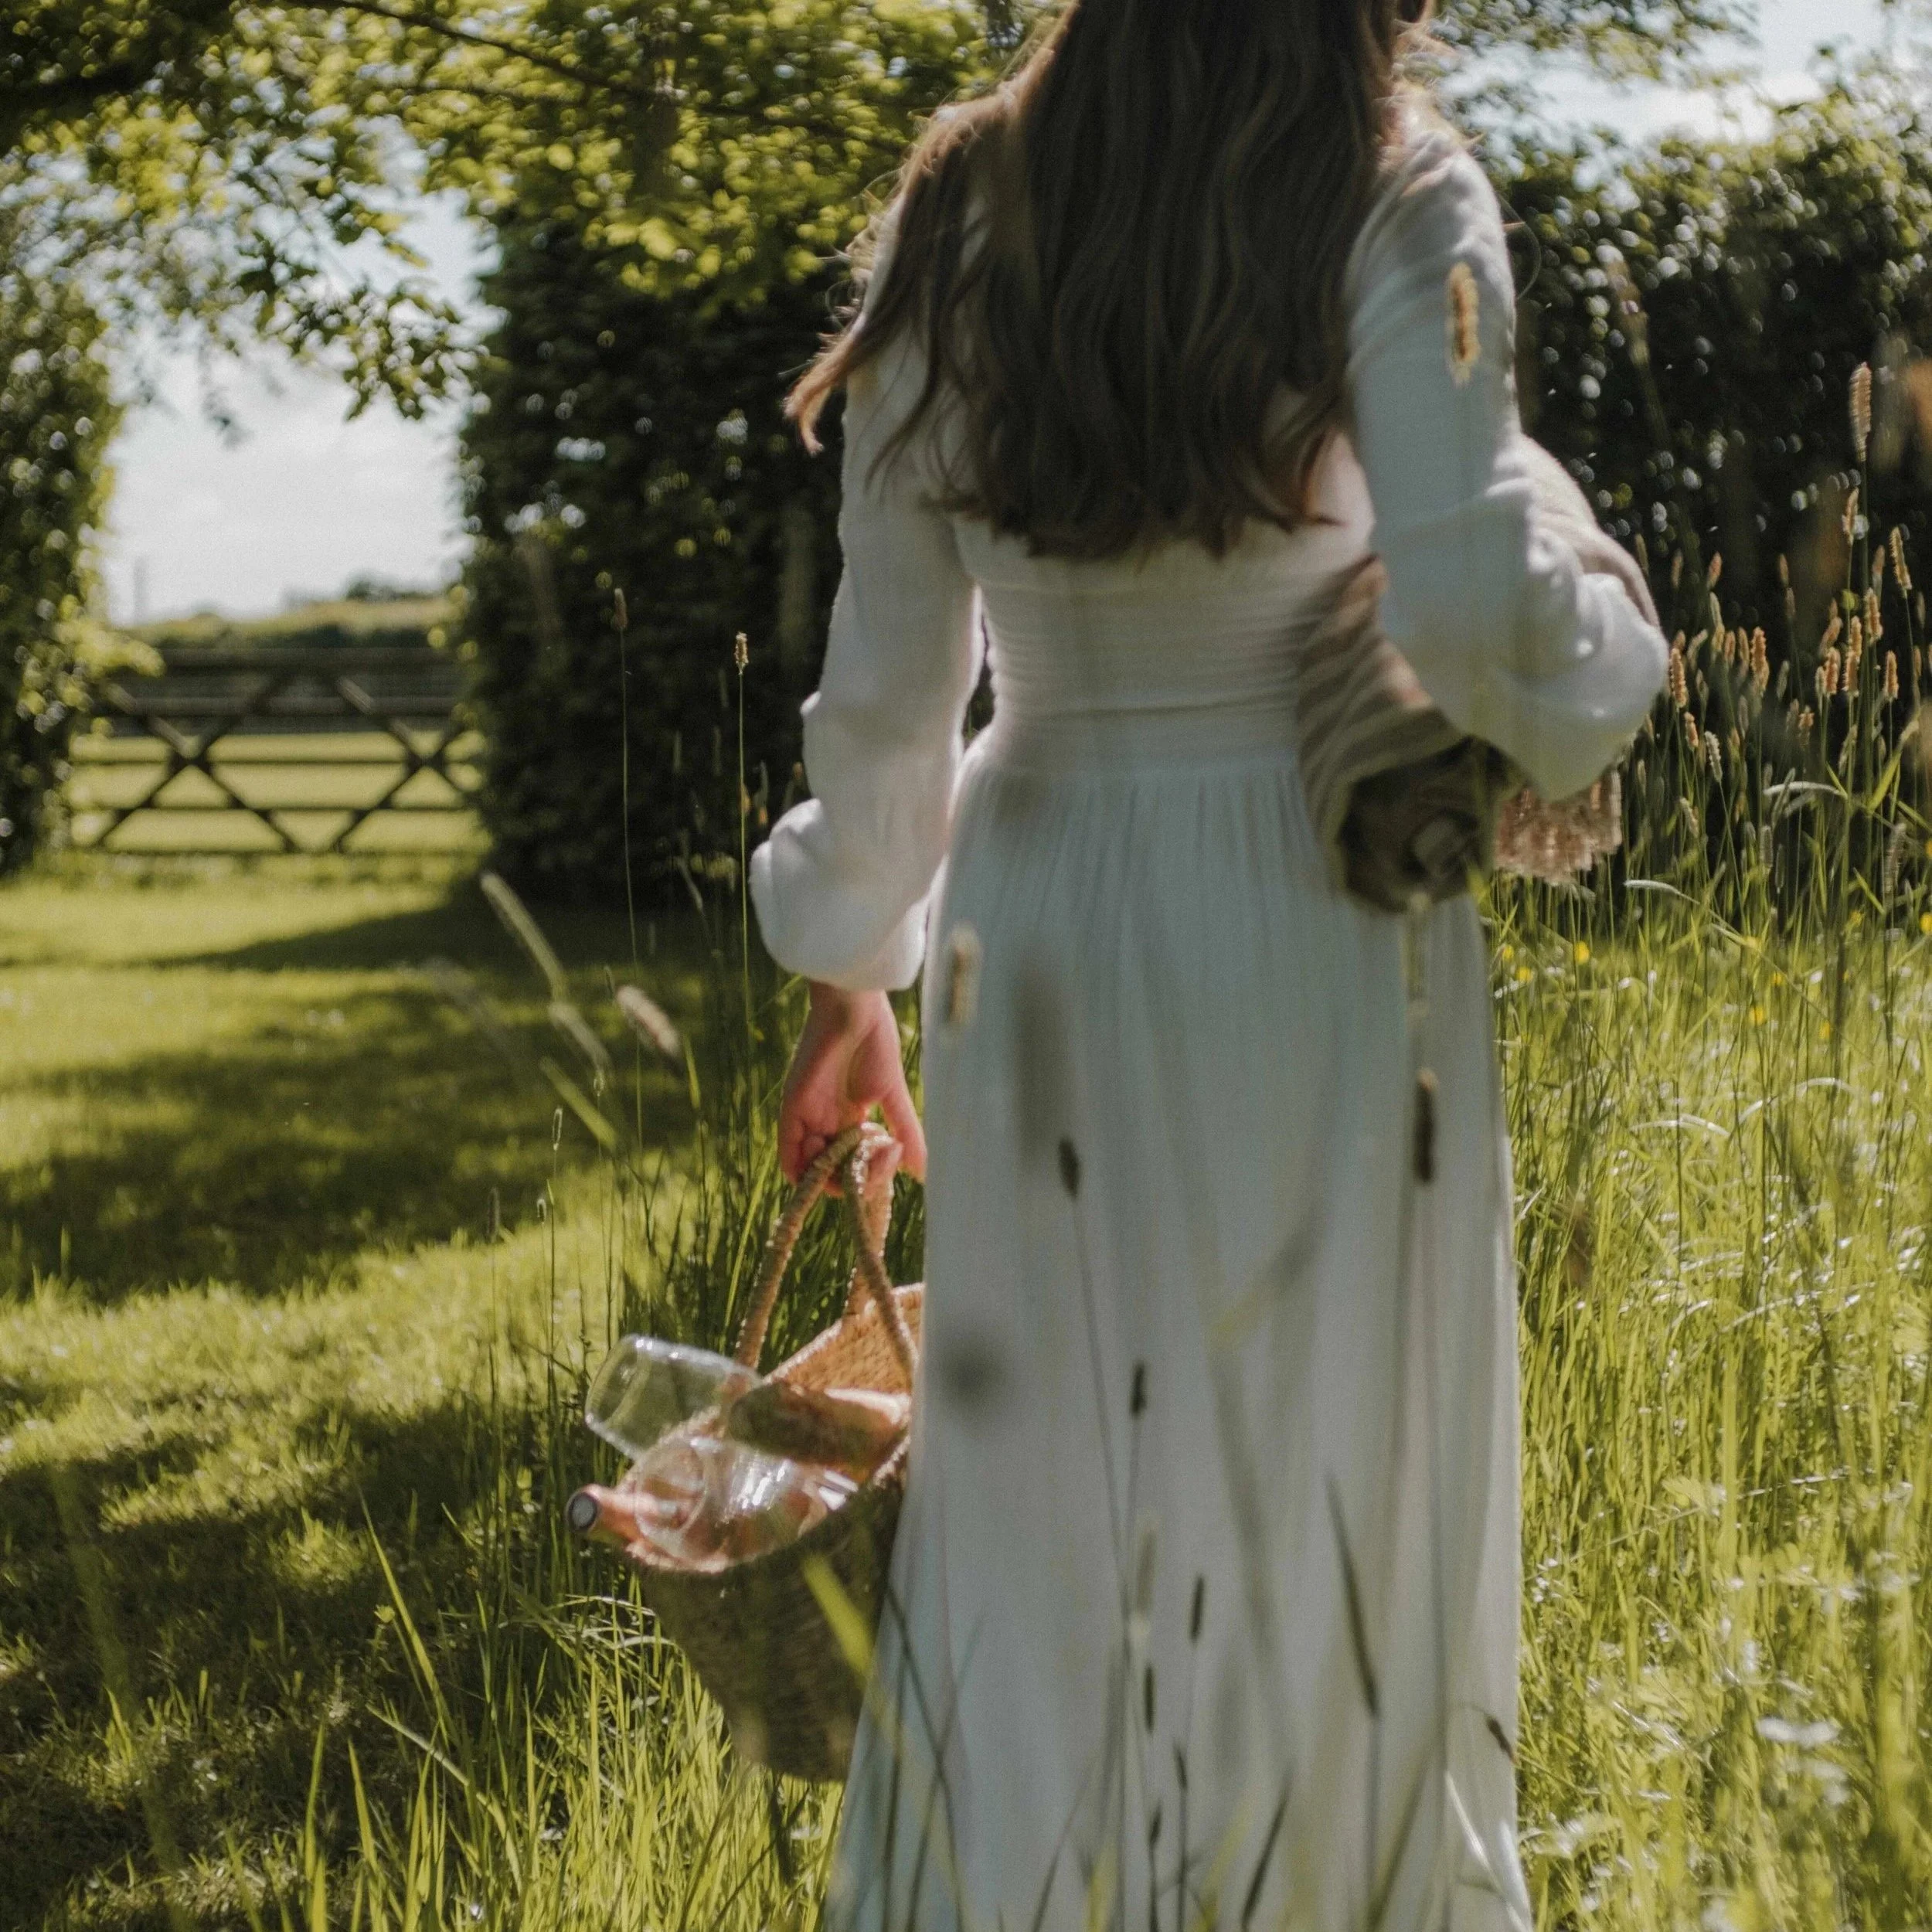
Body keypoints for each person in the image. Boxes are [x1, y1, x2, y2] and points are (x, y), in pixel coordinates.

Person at [750, 2, 1667, 1926]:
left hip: (1046, 899)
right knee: (1339, 1467)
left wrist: (849, 961)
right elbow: (1481, 589)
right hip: (1312, 903)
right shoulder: (1392, 183)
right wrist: (1610, 654)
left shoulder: (965, 200)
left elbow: (891, 678)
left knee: (1045, 1492)